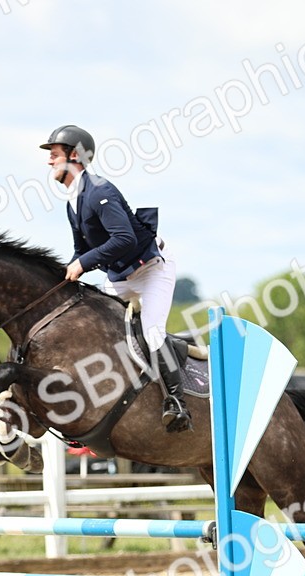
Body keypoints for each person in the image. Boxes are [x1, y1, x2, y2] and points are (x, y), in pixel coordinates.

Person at [40, 124, 192, 433]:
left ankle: (176, 404)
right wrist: (64, 273)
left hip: (152, 270)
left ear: (74, 156)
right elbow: (81, 249)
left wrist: (83, 263)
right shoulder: (73, 201)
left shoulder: (99, 191)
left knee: (151, 332)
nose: (49, 161)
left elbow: (123, 239)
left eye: (54, 155)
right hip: (120, 275)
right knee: (92, 323)